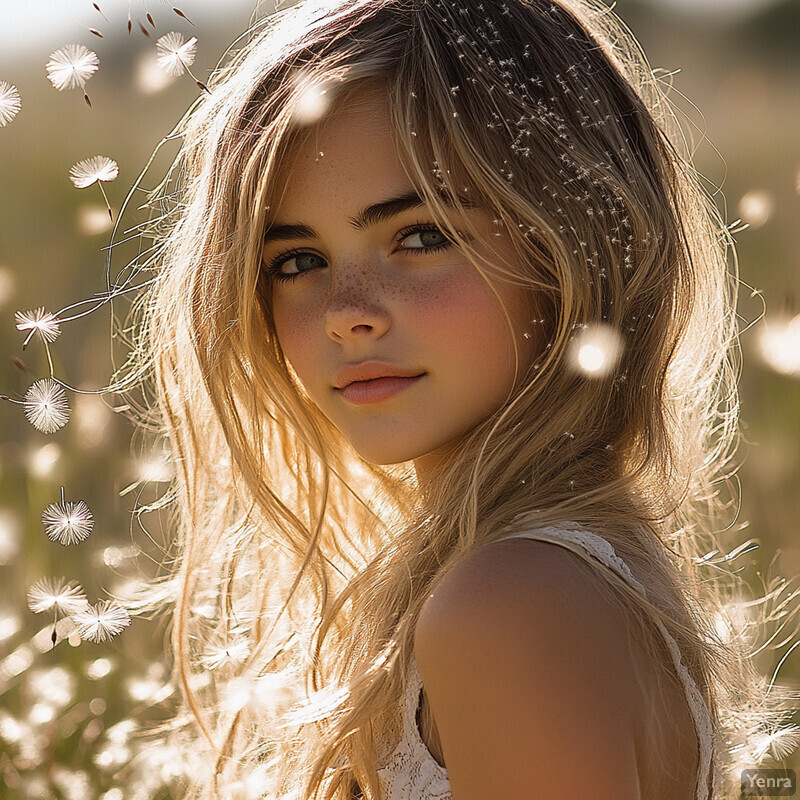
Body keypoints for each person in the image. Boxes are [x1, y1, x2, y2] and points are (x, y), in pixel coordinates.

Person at [123, 0, 800, 797]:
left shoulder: (510, 606)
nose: (346, 311)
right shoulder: (557, 580)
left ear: (569, 240)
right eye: (298, 259)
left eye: (419, 236)